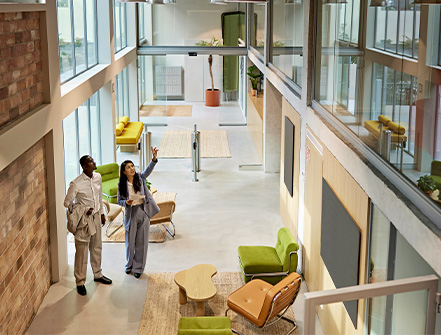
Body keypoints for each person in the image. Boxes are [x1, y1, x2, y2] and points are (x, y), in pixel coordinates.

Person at [64, 155, 112, 296]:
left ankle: (98, 274)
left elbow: (98, 197)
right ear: (84, 167)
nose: (94, 162)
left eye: (93, 160)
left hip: (96, 216)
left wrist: (102, 213)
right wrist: (83, 209)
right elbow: (67, 203)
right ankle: (80, 282)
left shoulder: (97, 177)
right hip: (84, 221)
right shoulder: (76, 183)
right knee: (82, 252)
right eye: (90, 161)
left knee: (97, 246)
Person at [118, 146, 160, 279]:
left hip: (143, 211)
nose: (132, 168)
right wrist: (126, 203)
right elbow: (119, 201)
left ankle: (138, 268)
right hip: (131, 213)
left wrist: (153, 158)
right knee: (130, 242)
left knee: (142, 241)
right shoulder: (121, 185)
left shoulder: (140, 177)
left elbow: (148, 170)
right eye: (128, 167)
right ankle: (129, 265)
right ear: (124, 172)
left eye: (132, 166)